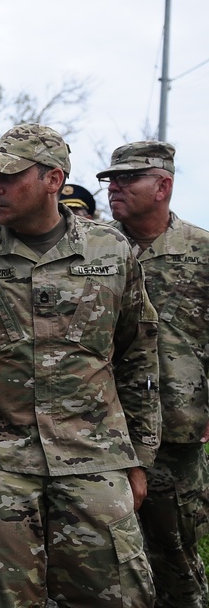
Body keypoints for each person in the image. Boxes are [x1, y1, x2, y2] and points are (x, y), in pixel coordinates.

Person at [0, 123, 160, 607]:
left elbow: (138, 355)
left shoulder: (111, 252)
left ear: (53, 180)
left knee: (119, 595)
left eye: (9, 176)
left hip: (94, 460)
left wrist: (140, 459)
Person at [97, 140, 209, 607]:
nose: (114, 188)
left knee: (175, 556)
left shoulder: (201, 251)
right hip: (101, 430)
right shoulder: (92, 251)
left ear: (163, 185)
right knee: (102, 563)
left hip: (176, 431)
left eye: (128, 179)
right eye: (110, 180)